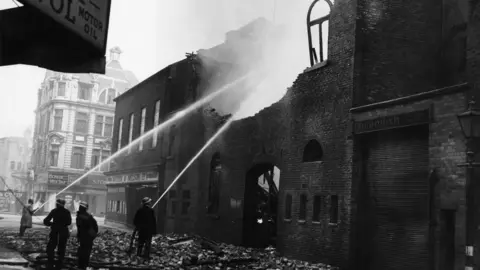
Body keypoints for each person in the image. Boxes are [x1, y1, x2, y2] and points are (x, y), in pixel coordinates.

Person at [43, 198, 72, 270]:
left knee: (50, 247)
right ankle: (59, 263)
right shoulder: (67, 212)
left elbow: (46, 221)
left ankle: (50, 262)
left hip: (55, 231)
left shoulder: (54, 211)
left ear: (57, 204)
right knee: (62, 248)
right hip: (64, 232)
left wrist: (52, 224)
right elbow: (69, 222)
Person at [76, 201, 98, 270]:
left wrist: (79, 236)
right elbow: (95, 227)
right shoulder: (88, 216)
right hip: (88, 237)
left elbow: (80, 228)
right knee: (86, 252)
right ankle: (84, 265)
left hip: (84, 237)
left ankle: (81, 265)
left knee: (83, 251)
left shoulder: (81, 217)